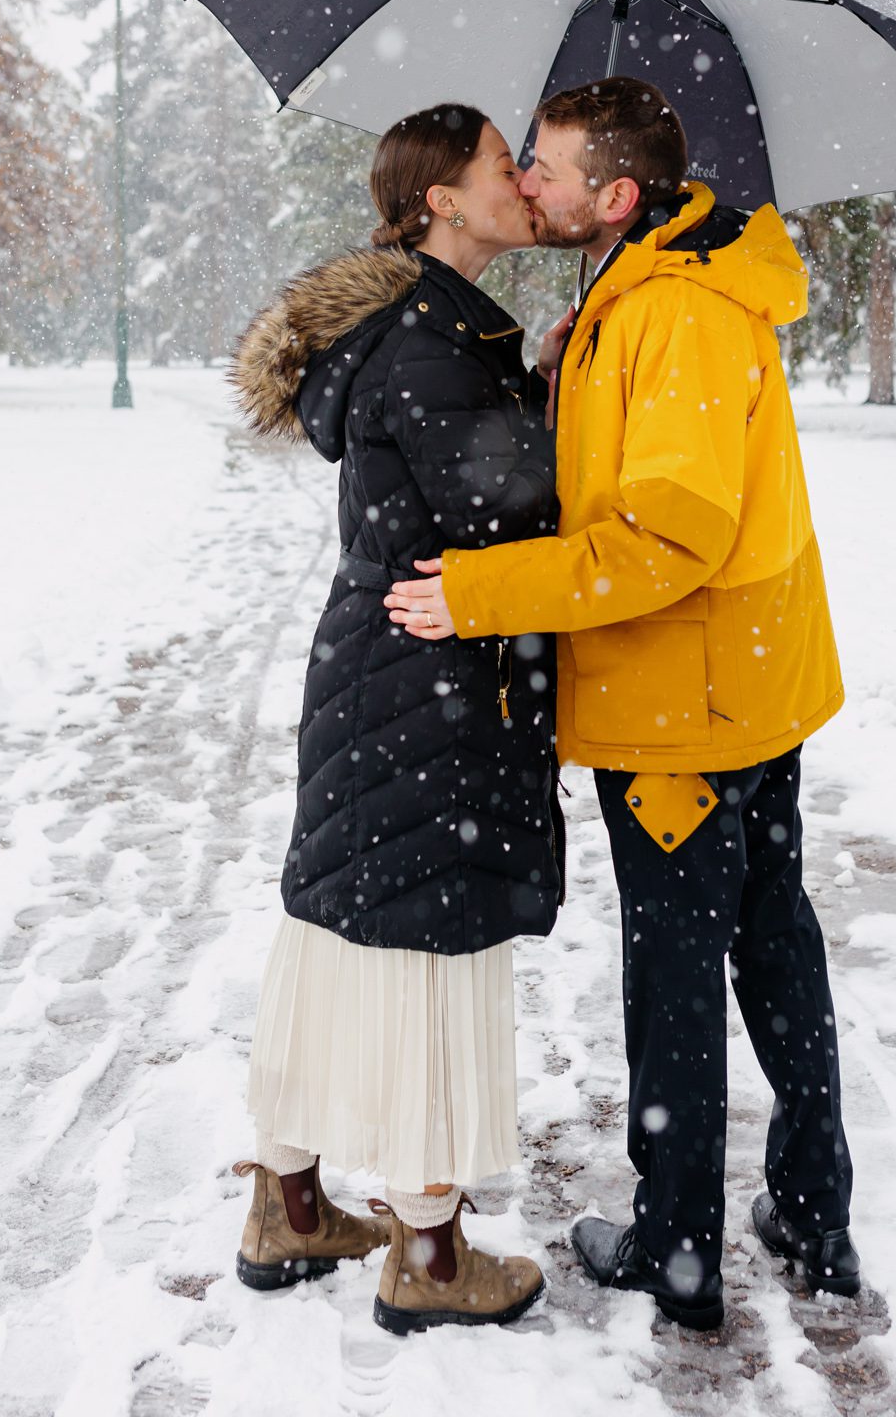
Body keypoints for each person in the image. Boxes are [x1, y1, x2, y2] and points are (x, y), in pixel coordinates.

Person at [386, 76, 858, 1332]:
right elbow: (647, 466)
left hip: (684, 711)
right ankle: (812, 1209)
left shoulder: (679, 312)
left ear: (619, 192)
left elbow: (667, 532)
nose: (526, 183)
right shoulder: (647, 287)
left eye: (542, 164)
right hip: (741, 683)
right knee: (769, 940)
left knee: (680, 977)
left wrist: (483, 590)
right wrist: (569, 376)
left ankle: (677, 1246)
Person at [230, 103, 565, 1334]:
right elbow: (517, 511)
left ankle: (293, 1200)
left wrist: (530, 377)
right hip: (435, 687)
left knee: (338, 933)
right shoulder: (430, 336)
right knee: (429, 947)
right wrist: (570, 397)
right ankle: (427, 1250)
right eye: (499, 164)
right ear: (440, 199)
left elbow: (466, 473)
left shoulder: (414, 328)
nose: (523, 182)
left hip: (379, 675)